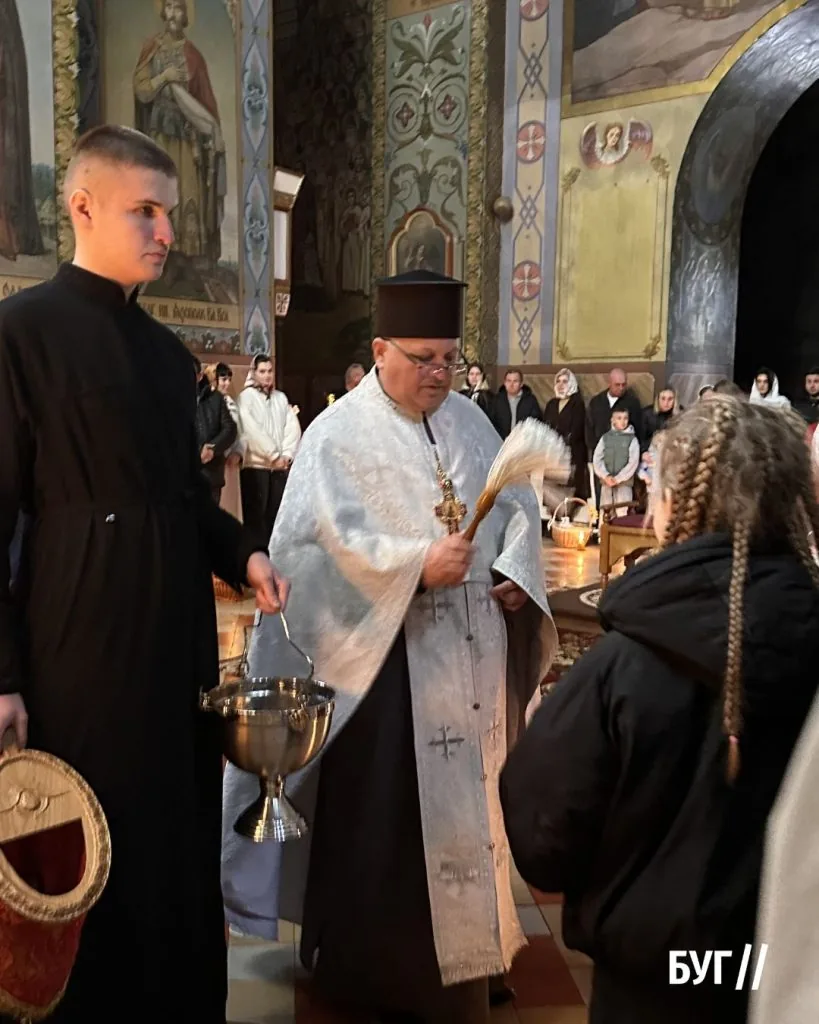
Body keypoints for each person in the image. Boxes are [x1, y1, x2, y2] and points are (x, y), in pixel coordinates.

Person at [0, 125, 288, 1021]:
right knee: (91, 844)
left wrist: (241, 549)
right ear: (83, 206)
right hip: (75, 639)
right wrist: (3, 675)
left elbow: (184, 499)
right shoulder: (20, 334)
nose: (166, 231)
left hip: (176, 645)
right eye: (146, 211)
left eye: (170, 212)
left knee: (174, 839)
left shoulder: (168, 357)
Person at [221, 268, 557, 1024]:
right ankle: (375, 976)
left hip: (468, 662)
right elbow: (312, 551)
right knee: (384, 829)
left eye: (448, 357)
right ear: (379, 349)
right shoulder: (338, 434)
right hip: (382, 681)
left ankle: (476, 960)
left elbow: (515, 509)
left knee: (474, 810)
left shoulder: (473, 422)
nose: (440, 373)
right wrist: (414, 567)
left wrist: (511, 572)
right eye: (422, 358)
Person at [500, 397, 819, 1024]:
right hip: (792, 970)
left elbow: (542, 841)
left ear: (675, 505)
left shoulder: (623, 664)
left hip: (656, 982)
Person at [237, 353, 301, 546]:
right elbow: (251, 429)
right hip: (256, 468)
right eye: (262, 371)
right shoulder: (245, 398)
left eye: (270, 371)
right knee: (256, 521)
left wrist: (287, 455)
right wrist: (272, 454)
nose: (267, 375)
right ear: (254, 373)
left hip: (279, 469)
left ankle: (275, 562)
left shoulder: (281, 398)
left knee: (276, 519)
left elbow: (292, 426)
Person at [194, 356, 236, 503]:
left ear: (200, 376)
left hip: (211, 474)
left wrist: (213, 447)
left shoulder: (215, 399)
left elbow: (230, 429)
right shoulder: (174, 400)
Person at [543, 368, 588, 501]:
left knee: (568, 492)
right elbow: (545, 427)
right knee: (552, 491)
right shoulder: (551, 404)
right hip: (552, 454)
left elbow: (577, 430)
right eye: (558, 381)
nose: (561, 385)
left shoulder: (577, 404)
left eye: (565, 381)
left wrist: (561, 443)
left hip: (571, 455)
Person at [592, 407, 639, 508]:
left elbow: (633, 463)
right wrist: (606, 476)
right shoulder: (605, 438)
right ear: (612, 420)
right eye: (619, 418)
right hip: (606, 483)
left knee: (622, 512)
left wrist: (618, 479)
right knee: (605, 511)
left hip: (624, 484)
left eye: (625, 418)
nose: (622, 421)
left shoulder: (632, 440)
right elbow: (597, 459)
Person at [214, 362, 243, 520]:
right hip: (216, 461)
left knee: (230, 508)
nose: (225, 383)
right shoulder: (210, 403)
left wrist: (237, 452)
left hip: (231, 463)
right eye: (222, 379)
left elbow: (240, 432)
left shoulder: (232, 404)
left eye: (228, 379)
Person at [492, 368, 542, 439]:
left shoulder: (530, 400)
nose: (511, 384)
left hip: (523, 443)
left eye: (515, 381)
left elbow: (536, 422)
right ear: (505, 383)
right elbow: (492, 423)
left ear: (521, 384)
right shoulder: (497, 400)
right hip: (501, 442)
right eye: (509, 381)